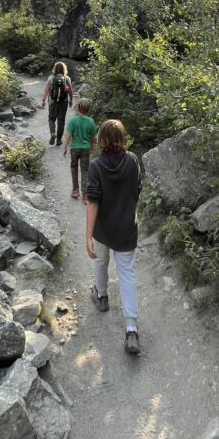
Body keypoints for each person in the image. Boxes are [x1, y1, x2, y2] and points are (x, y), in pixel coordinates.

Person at [85, 119, 142, 356]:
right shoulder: (132, 160)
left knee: (100, 261)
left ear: (101, 140)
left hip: (103, 228)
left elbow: (93, 202)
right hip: (126, 227)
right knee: (126, 273)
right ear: (122, 138)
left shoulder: (96, 166)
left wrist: (88, 235)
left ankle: (102, 295)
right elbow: (137, 189)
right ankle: (131, 329)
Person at [62, 97, 97, 201]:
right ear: (88, 109)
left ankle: (75, 191)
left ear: (78, 108)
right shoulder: (91, 121)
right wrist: (91, 147)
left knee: (74, 168)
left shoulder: (73, 120)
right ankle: (85, 195)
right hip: (85, 149)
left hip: (74, 149)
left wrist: (64, 147)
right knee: (85, 170)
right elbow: (93, 138)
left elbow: (68, 135)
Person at [41, 61, 72, 145]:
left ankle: (53, 133)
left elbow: (47, 90)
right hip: (63, 102)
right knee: (61, 121)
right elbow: (69, 91)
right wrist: (71, 101)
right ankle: (58, 140)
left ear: (54, 69)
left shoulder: (51, 78)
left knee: (51, 119)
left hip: (52, 102)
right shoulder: (67, 79)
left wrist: (43, 100)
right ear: (64, 69)